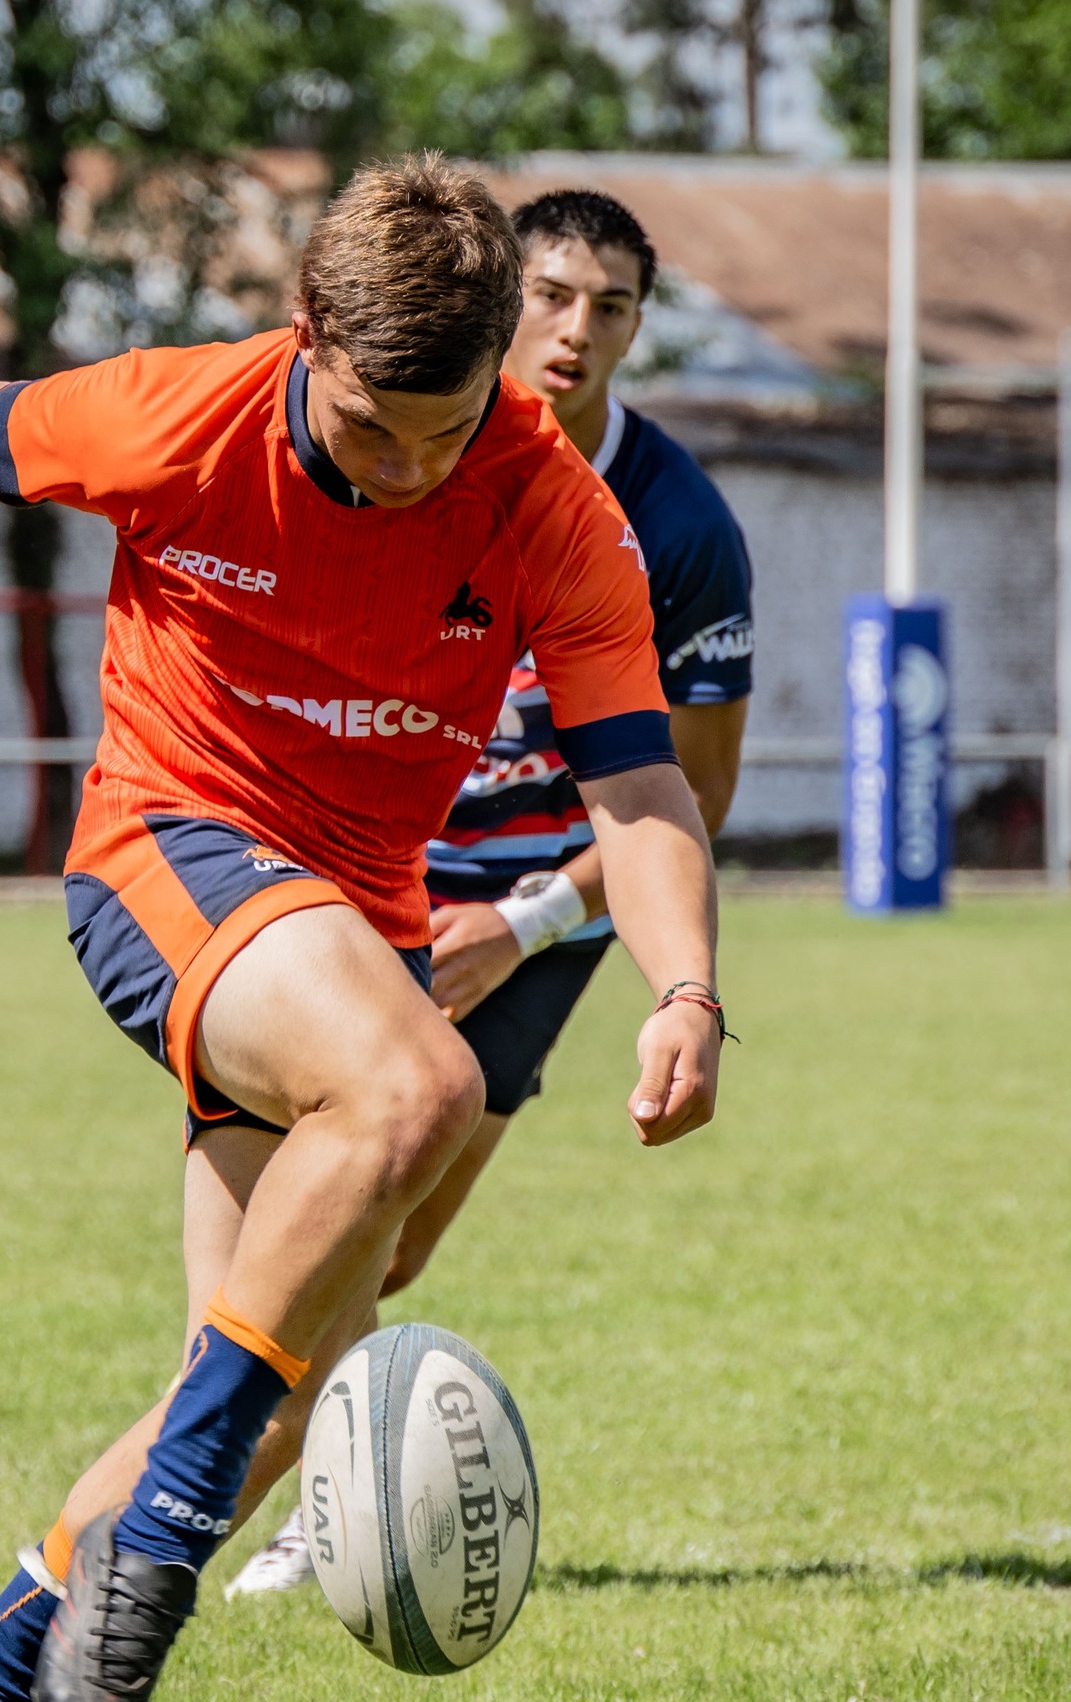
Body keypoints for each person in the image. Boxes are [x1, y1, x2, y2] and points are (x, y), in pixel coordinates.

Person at [0, 156, 728, 1702]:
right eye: (372, 427)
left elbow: (640, 783)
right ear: (305, 330)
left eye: (443, 432)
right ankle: (164, 1541)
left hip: (344, 935)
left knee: (281, 1391)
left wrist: (685, 986)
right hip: (166, 853)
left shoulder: (550, 504)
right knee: (418, 1088)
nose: (407, 471)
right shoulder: (179, 413)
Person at [225, 188, 754, 1601]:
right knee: (320, 1211)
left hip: (546, 909)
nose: (576, 330)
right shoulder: (387, 448)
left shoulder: (678, 523)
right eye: (552, 296)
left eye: (612, 306)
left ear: (639, 326)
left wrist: (522, 928)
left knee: (390, 1247)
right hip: (357, 867)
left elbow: (692, 790)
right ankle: (305, 1502)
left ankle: (271, 1483)